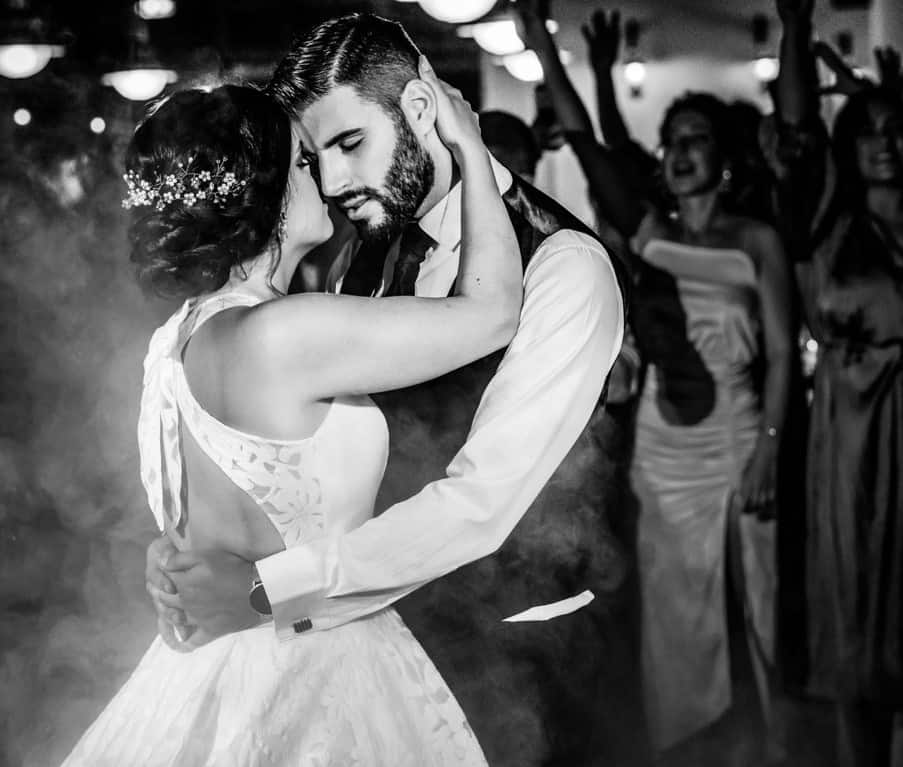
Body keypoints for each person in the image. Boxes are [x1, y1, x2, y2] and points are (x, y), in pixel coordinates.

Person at [145, 13, 627, 765]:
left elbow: (478, 506)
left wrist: (264, 590)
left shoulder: (563, 267)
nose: (333, 184)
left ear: (423, 111)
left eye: (347, 145)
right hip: (364, 652)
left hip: (519, 656)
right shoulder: (363, 254)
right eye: (314, 158)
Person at [62, 67, 525, 763]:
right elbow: (492, 315)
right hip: (315, 668)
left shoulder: (173, 341)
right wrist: (467, 145)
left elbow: (189, 533)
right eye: (304, 161)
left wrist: (169, 565)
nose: (327, 176)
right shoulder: (284, 334)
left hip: (209, 667)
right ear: (266, 191)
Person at [515, 0, 795, 761]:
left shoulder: (757, 240)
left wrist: (769, 447)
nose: (678, 151)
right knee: (676, 618)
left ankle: (766, 743)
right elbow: (586, 140)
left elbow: (777, 354)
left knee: (760, 608)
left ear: (723, 154)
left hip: (743, 441)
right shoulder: (648, 234)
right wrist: (543, 42)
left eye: (694, 139)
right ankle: (691, 744)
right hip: (665, 452)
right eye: (670, 141)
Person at [774, 1, 903, 764]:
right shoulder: (825, 221)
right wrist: (793, 26)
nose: (884, 145)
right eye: (868, 131)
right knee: (859, 613)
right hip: (854, 441)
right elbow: (796, 135)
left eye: (897, 129)